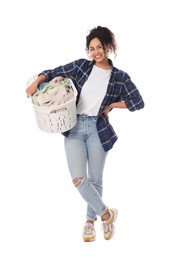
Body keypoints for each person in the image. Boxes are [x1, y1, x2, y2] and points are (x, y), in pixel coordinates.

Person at [26, 26, 145, 242]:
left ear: (108, 47)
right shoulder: (81, 66)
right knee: (79, 179)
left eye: (100, 47)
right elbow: (54, 72)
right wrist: (36, 82)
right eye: (92, 48)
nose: (96, 52)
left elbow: (138, 102)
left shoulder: (120, 77)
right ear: (88, 51)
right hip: (74, 126)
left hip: (98, 129)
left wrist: (112, 106)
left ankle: (90, 223)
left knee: (95, 178)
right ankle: (107, 215)